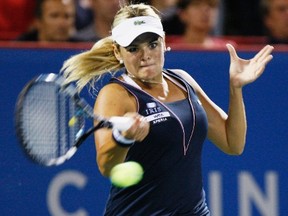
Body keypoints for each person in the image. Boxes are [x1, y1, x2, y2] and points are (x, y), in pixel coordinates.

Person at [61, 3, 274, 215]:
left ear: (163, 42)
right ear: (118, 52)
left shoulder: (183, 80)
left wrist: (235, 88)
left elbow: (233, 143)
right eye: (134, 49)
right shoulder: (116, 95)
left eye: (152, 44)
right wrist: (123, 138)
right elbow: (107, 167)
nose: (145, 55)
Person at [166, 0, 234, 48]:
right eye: (197, 4)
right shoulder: (170, 49)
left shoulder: (228, 49)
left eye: (211, 5)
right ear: (183, 14)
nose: (206, 9)